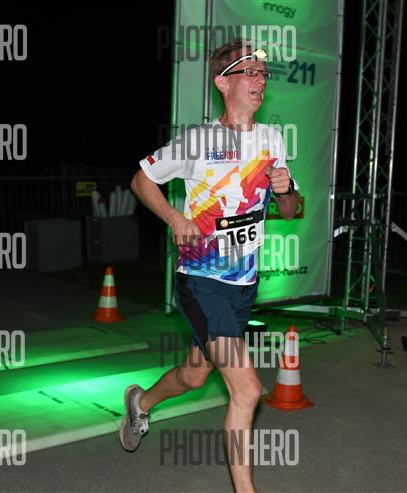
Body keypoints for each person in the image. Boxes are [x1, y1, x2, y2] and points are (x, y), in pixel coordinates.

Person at [121, 39, 299, 493]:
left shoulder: (272, 139)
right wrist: (175, 218)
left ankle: (140, 403)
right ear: (223, 82)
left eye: (263, 73)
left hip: (244, 287)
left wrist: (285, 191)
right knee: (248, 389)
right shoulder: (197, 141)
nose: (260, 80)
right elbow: (142, 181)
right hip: (202, 282)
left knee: (195, 375)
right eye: (249, 72)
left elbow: (291, 211)